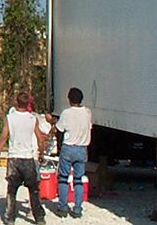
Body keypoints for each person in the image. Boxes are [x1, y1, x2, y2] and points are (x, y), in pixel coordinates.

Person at [0, 92, 47, 225]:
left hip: (14, 158)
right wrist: (41, 153)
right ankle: (39, 217)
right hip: (28, 158)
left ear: (16, 102)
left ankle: (10, 217)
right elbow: (39, 138)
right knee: (34, 190)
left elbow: (4, 136)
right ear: (28, 104)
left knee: (12, 190)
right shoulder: (32, 119)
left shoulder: (10, 118)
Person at [52, 87, 92, 219]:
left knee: (63, 178)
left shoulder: (66, 113)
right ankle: (77, 208)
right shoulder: (87, 112)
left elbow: (59, 129)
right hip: (82, 148)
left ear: (69, 99)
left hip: (68, 147)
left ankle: (63, 207)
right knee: (78, 180)